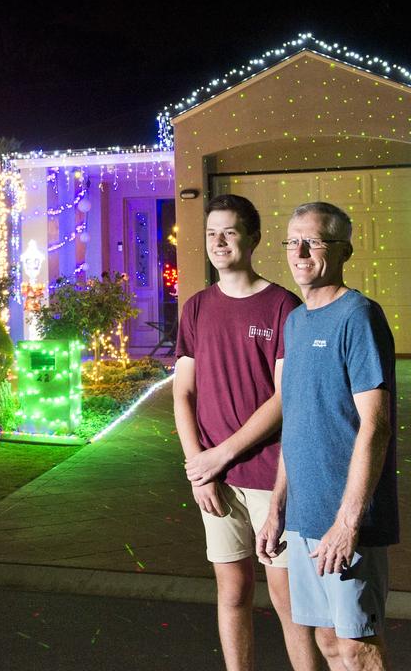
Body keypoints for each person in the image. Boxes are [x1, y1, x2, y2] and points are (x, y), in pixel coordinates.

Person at [174, 194, 321, 670]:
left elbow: (286, 397)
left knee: (285, 595)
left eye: (230, 232)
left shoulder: (282, 306)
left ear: (253, 239)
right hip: (214, 479)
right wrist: (201, 468)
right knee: (232, 591)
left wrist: (222, 454)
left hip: (271, 477)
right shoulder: (196, 308)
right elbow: (183, 395)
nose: (219, 242)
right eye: (212, 232)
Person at [256, 201, 398, 670]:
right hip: (304, 517)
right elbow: (295, 423)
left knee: (358, 646)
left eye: (313, 241)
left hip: (345, 521)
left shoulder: (359, 316)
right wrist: (278, 508)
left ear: (343, 251)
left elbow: (375, 426)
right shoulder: (296, 322)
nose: (298, 252)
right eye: (292, 241)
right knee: (328, 642)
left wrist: (348, 522)